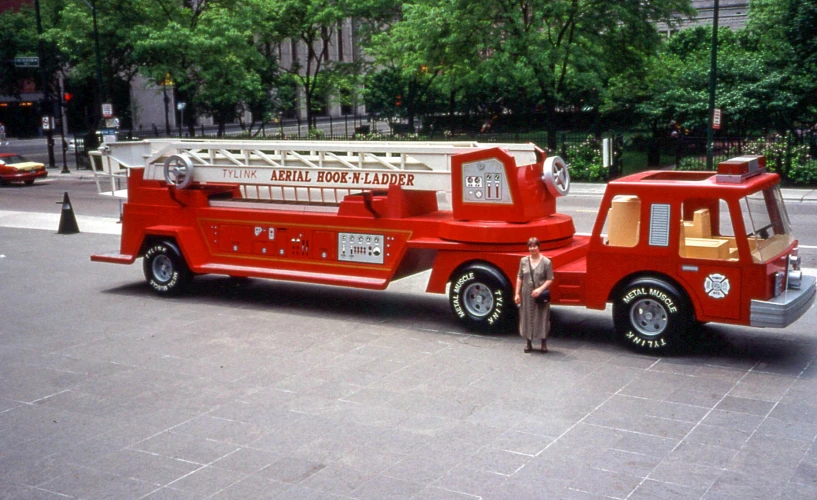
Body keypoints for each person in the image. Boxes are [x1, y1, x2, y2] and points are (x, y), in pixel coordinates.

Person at [515, 237, 554, 353]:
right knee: (526, 316)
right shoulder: (523, 261)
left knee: (542, 317)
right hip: (527, 294)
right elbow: (520, 277)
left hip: (540, 295)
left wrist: (540, 289)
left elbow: (550, 279)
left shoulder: (546, 262)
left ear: (539, 247)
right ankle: (528, 342)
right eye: (530, 246)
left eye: (534, 246)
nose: (532, 249)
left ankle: (543, 342)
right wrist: (517, 293)